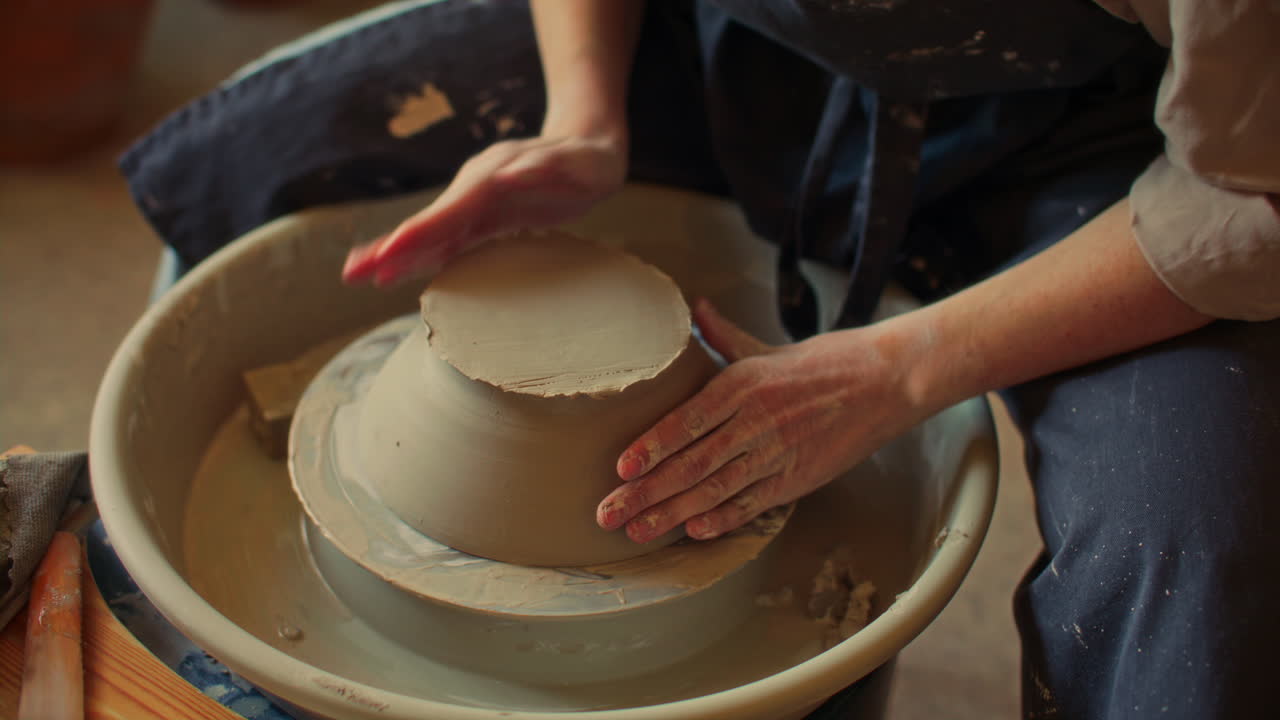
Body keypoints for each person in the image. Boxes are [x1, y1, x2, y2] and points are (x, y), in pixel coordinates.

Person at [123, 1, 1278, 717]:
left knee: (1193, 561)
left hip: (1097, 146)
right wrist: (582, 117)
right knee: (250, 158)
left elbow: (1244, 193)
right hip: (739, 50)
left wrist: (898, 371)